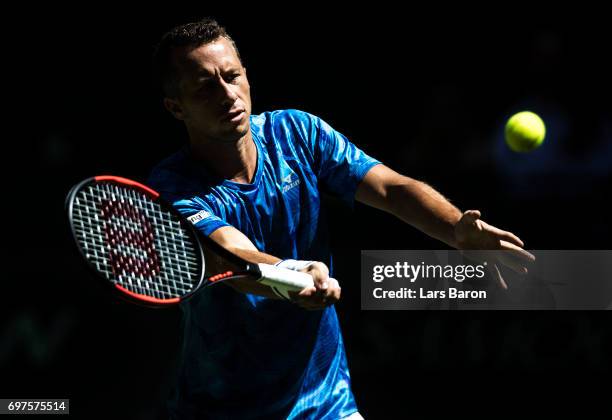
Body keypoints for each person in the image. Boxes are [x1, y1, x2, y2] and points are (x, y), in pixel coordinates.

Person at [148, 18, 534, 419]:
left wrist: (455, 229)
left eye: (232, 76)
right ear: (176, 107)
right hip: (222, 407)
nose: (227, 94)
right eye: (205, 87)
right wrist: (294, 273)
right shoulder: (173, 186)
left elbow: (389, 188)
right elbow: (230, 254)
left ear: (246, 76)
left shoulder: (296, 132)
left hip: (326, 403)